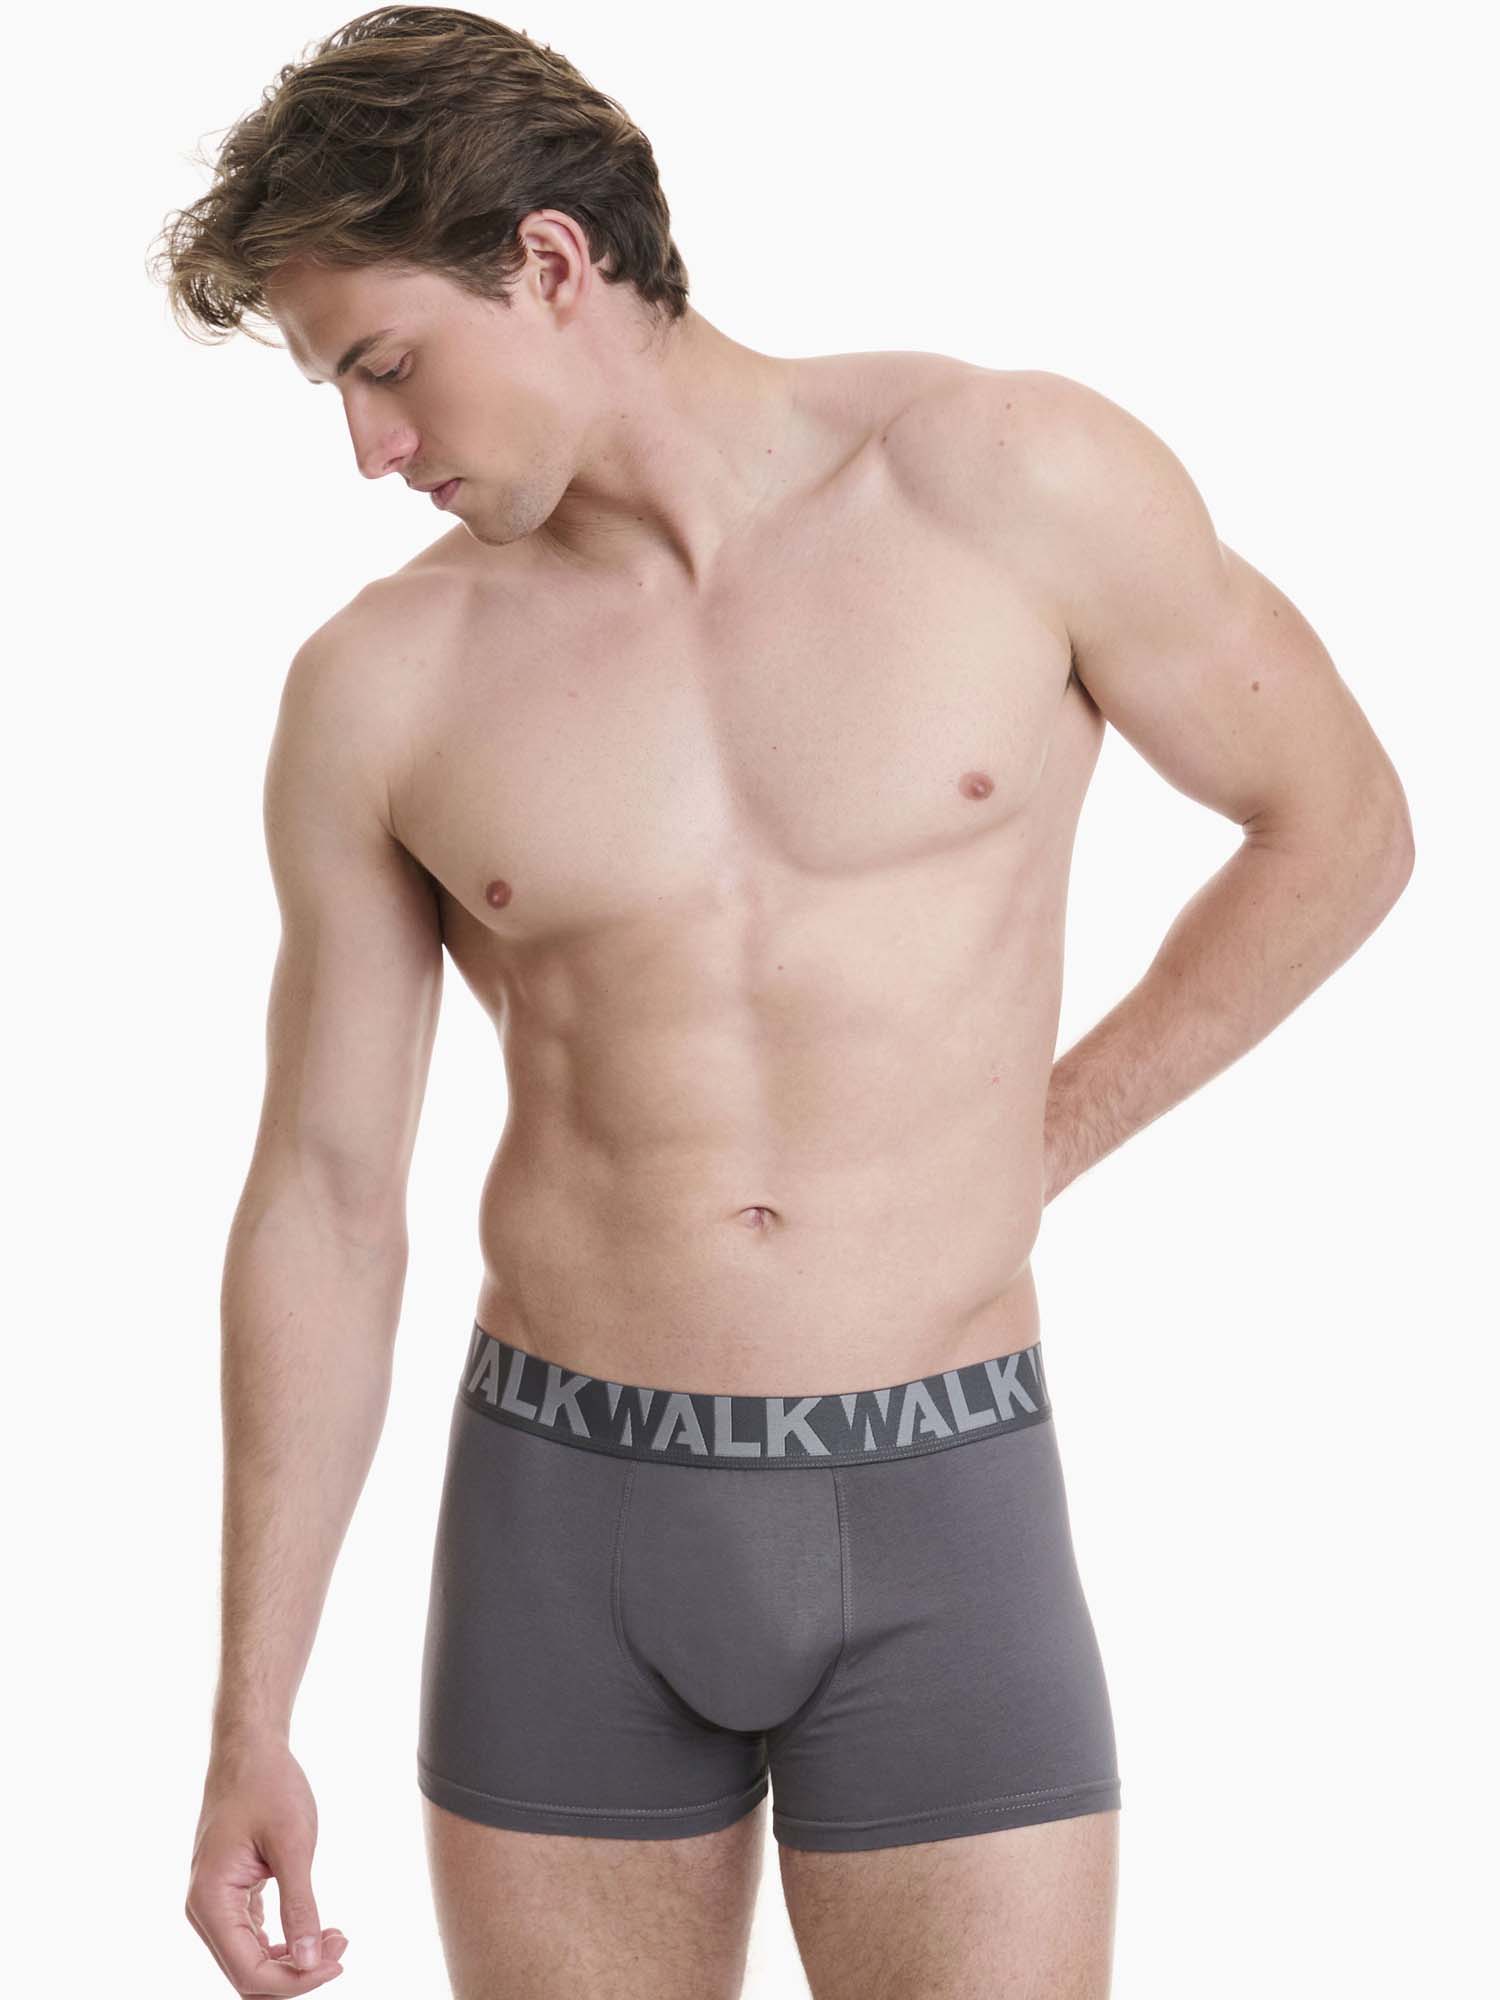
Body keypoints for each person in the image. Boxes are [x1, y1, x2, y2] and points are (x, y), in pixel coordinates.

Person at [152, 8, 1414, 1997]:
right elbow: (323, 1196)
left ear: (550, 262)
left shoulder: (1011, 481)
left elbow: (1339, 826)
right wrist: (250, 1716)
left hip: (947, 1490)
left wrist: (1040, 1139)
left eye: (382, 365)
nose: (370, 449)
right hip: (564, 1521)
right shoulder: (382, 683)